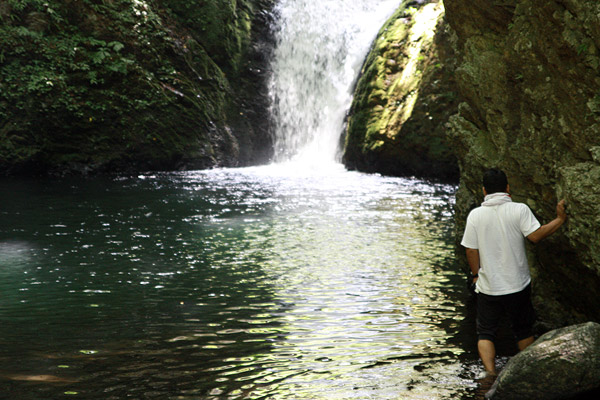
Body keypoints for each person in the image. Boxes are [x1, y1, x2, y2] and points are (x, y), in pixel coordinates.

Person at [461, 168, 567, 376]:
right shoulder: (520, 209)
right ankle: (526, 373)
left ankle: (490, 375)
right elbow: (536, 236)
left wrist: (475, 275)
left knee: (485, 333)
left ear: (484, 190)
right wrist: (560, 219)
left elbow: (471, 249)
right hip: (518, 284)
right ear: (508, 188)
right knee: (523, 330)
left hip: (489, 286)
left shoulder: (475, 215)